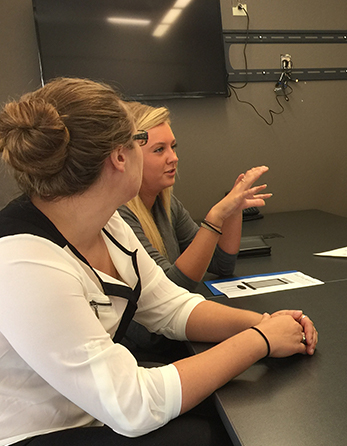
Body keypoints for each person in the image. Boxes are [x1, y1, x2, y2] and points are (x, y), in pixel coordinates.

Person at [0, 78, 318, 445]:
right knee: (203, 435)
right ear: (120, 156)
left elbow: (172, 308)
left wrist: (269, 322)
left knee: (233, 405)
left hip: (90, 408)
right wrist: (260, 340)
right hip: (37, 430)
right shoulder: (23, 263)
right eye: (142, 141)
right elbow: (132, 406)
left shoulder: (110, 222)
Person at [119, 102, 268, 292]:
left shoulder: (167, 204)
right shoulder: (119, 214)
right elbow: (170, 288)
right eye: (159, 150)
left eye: (173, 147)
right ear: (128, 156)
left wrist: (234, 210)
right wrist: (216, 217)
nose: (173, 157)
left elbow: (221, 265)